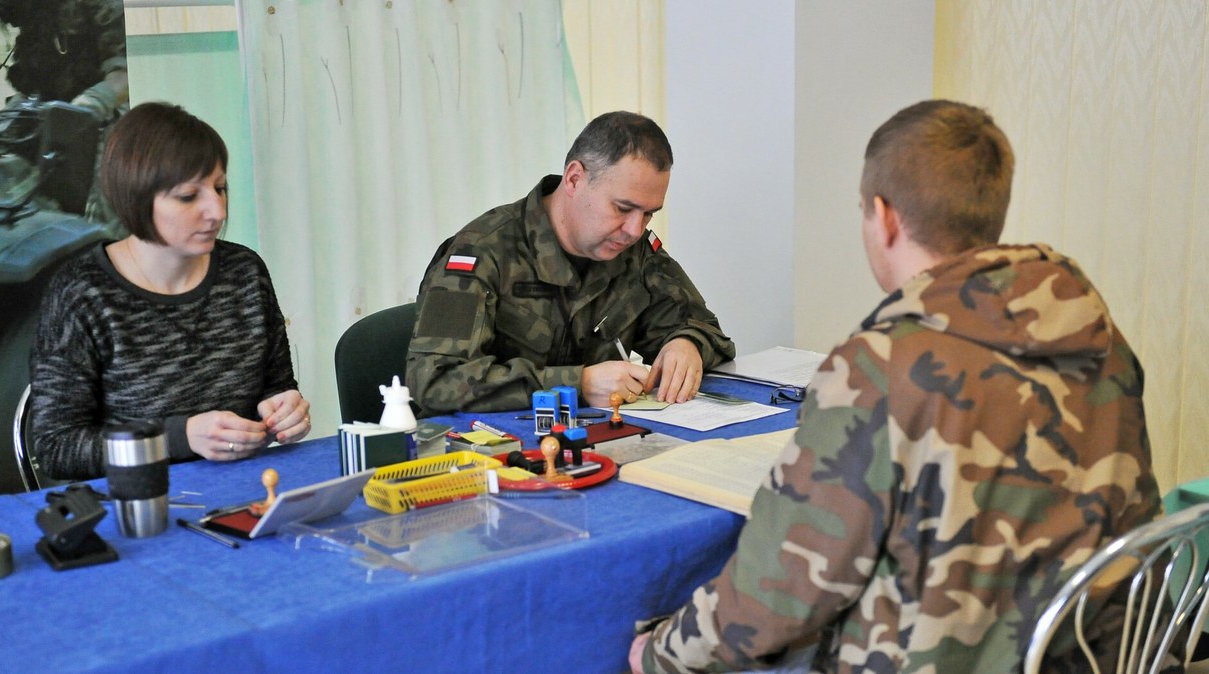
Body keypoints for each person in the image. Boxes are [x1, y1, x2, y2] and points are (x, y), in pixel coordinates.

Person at [629, 100, 1160, 673]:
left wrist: (660, 652)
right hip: (1099, 654)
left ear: (882, 217)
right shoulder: (1094, 330)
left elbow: (779, 593)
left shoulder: (880, 369)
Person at [27, 102, 311, 480]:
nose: (217, 211)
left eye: (220, 188)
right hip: (140, 510)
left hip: (248, 495)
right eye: (189, 196)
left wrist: (284, 410)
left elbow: (275, 388)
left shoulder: (245, 272)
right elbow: (56, 448)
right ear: (138, 198)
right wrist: (178, 438)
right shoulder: (82, 293)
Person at [406, 111, 735, 416]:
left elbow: (705, 329)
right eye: (623, 208)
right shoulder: (483, 253)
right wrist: (578, 385)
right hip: (484, 458)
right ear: (575, 179)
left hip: (595, 445)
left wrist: (687, 344)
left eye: (648, 213)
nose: (636, 229)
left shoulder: (631, 250)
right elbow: (434, 381)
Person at [0, 0, 128, 122]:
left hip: (105, 109)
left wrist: (89, 106)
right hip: (39, 98)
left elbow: (127, 75)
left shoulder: (110, 5)